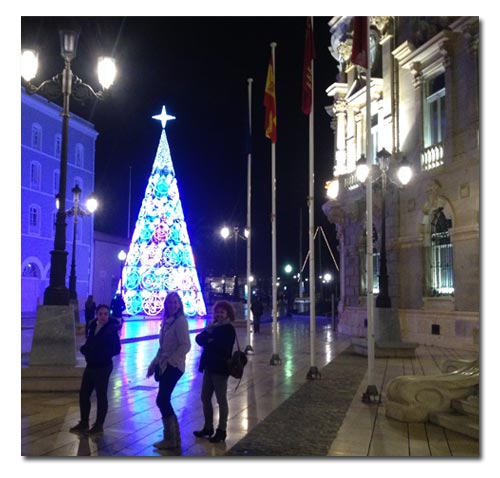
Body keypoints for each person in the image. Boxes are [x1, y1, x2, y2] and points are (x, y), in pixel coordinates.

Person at [147, 292, 191, 450]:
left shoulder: (180, 322)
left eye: (175, 302)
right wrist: (154, 363)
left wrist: (171, 361)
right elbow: (162, 346)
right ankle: (173, 438)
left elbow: (186, 345)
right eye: (170, 302)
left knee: (162, 399)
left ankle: (171, 438)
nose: (172, 305)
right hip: (165, 363)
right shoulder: (167, 321)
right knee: (163, 399)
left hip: (174, 366)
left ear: (179, 304)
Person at [70, 304, 121, 436]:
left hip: (103, 366)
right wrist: (85, 350)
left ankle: (99, 425)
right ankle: (84, 422)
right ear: (97, 314)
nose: (103, 316)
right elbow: (90, 342)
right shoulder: (92, 326)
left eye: (105, 314)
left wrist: (101, 353)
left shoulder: (111, 329)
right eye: (100, 314)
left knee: (101, 395)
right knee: (84, 394)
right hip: (91, 365)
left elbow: (116, 349)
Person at [193, 300, 236, 443]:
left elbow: (222, 347)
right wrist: (209, 336)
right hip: (208, 367)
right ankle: (208, 427)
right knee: (205, 397)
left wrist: (210, 340)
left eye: (222, 312)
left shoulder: (229, 329)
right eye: (217, 312)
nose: (219, 314)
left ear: (227, 314)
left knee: (221, 400)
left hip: (220, 369)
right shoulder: (213, 327)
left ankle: (222, 430)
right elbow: (199, 339)